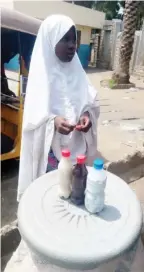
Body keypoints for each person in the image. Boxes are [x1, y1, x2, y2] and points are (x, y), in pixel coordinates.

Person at [17, 15, 100, 201]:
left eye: (74, 39)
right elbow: (32, 120)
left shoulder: (77, 71)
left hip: (77, 155)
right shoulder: (41, 78)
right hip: (51, 159)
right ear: (50, 40)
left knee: (77, 196)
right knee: (54, 199)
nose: (72, 45)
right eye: (65, 39)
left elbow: (90, 100)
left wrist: (86, 115)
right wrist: (53, 121)